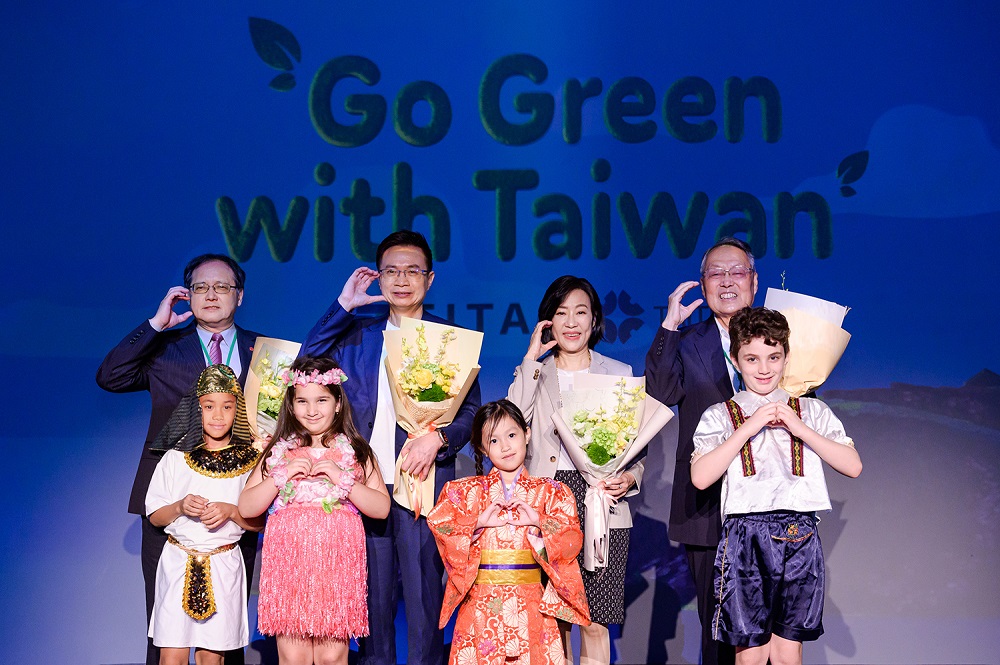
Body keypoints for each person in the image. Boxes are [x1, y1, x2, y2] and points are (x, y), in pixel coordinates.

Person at [299, 230, 481, 665]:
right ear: (378, 277)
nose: (402, 280)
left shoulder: (446, 339)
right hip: (362, 487)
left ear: (430, 279)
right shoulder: (356, 333)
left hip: (423, 484)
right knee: (371, 604)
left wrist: (437, 439)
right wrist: (343, 306)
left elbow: (471, 413)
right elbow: (304, 367)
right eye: (391, 271)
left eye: (413, 271)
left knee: (423, 602)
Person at [97, 253, 264, 665]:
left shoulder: (263, 349)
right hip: (168, 499)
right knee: (163, 627)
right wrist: (156, 326)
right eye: (201, 287)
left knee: (226, 631)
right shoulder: (164, 349)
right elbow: (110, 376)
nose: (211, 295)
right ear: (186, 295)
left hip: (238, 502)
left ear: (239, 296)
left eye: (222, 287)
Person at [689, 307, 862, 664]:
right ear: (735, 360)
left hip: (800, 534)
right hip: (745, 537)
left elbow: (853, 465)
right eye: (751, 358)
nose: (763, 368)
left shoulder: (810, 412)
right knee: (750, 653)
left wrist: (800, 429)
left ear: (786, 358)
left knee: (787, 652)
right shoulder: (721, 415)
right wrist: (748, 428)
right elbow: (701, 476)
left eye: (773, 357)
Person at [507, 275, 643, 665]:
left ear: (594, 319)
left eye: (580, 312)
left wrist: (631, 477)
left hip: (602, 501)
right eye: (561, 312)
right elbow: (509, 423)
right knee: (556, 618)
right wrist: (530, 361)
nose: (571, 322)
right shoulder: (535, 371)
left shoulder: (618, 371)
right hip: (547, 502)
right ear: (547, 321)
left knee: (595, 620)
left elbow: (637, 446)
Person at [643, 236, 758, 665]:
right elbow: (659, 393)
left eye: (737, 272)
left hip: (769, 505)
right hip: (708, 506)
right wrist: (669, 327)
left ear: (754, 281)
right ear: (702, 283)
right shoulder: (687, 341)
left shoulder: (778, 338)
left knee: (768, 632)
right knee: (717, 631)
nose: (727, 281)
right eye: (716, 273)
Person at [239, 356, 391, 665]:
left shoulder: (357, 451)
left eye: (321, 400)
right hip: (290, 568)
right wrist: (281, 475)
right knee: (292, 656)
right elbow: (247, 507)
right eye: (303, 401)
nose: (312, 410)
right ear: (291, 405)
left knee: (332, 656)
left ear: (337, 403)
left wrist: (342, 478)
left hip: (335, 568)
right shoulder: (278, 451)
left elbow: (381, 508)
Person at [427, 399, 591, 665]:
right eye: (493, 441)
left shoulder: (551, 492)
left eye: (512, 435)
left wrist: (539, 520)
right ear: (481, 446)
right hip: (480, 604)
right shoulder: (463, 492)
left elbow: (571, 538)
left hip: (531, 604)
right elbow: (440, 523)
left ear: (527, 433)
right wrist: (477, 522)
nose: (505, 446)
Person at [145, 364, 263, 665]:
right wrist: (180, 506)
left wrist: (234, 512)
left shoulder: (253, 462)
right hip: (178, 563)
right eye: (209, 406)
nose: (218, 415)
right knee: (171, 654)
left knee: (213, 657)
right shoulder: (175, 458)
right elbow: (156, 516)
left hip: (224, 564)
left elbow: (263, 523)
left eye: (227, 406)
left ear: (238, 410)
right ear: (197, 409)